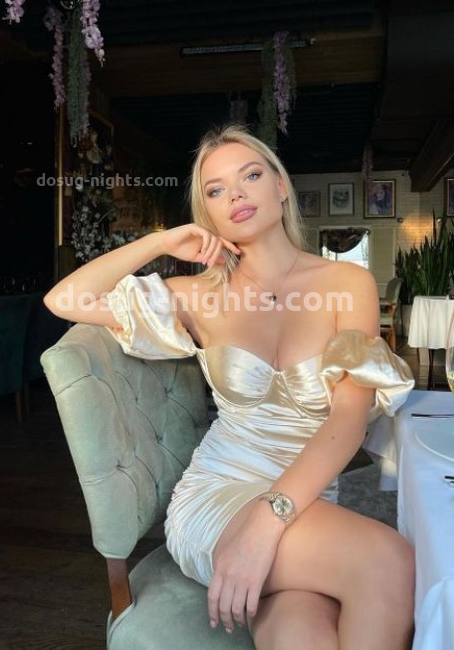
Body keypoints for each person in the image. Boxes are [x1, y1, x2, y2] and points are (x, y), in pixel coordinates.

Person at [44, 124, 415, 649]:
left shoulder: (346, 284)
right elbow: (65, 300)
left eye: (251, 176)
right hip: (217, 497)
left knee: (301, 633)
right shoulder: (197, 296)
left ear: (280, 187)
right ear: (208, 214)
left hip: (305, 501)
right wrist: (160, 241)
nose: (236, 195)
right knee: (390, 562)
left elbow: (348, 419)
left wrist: (268, 518)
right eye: (216, 190)